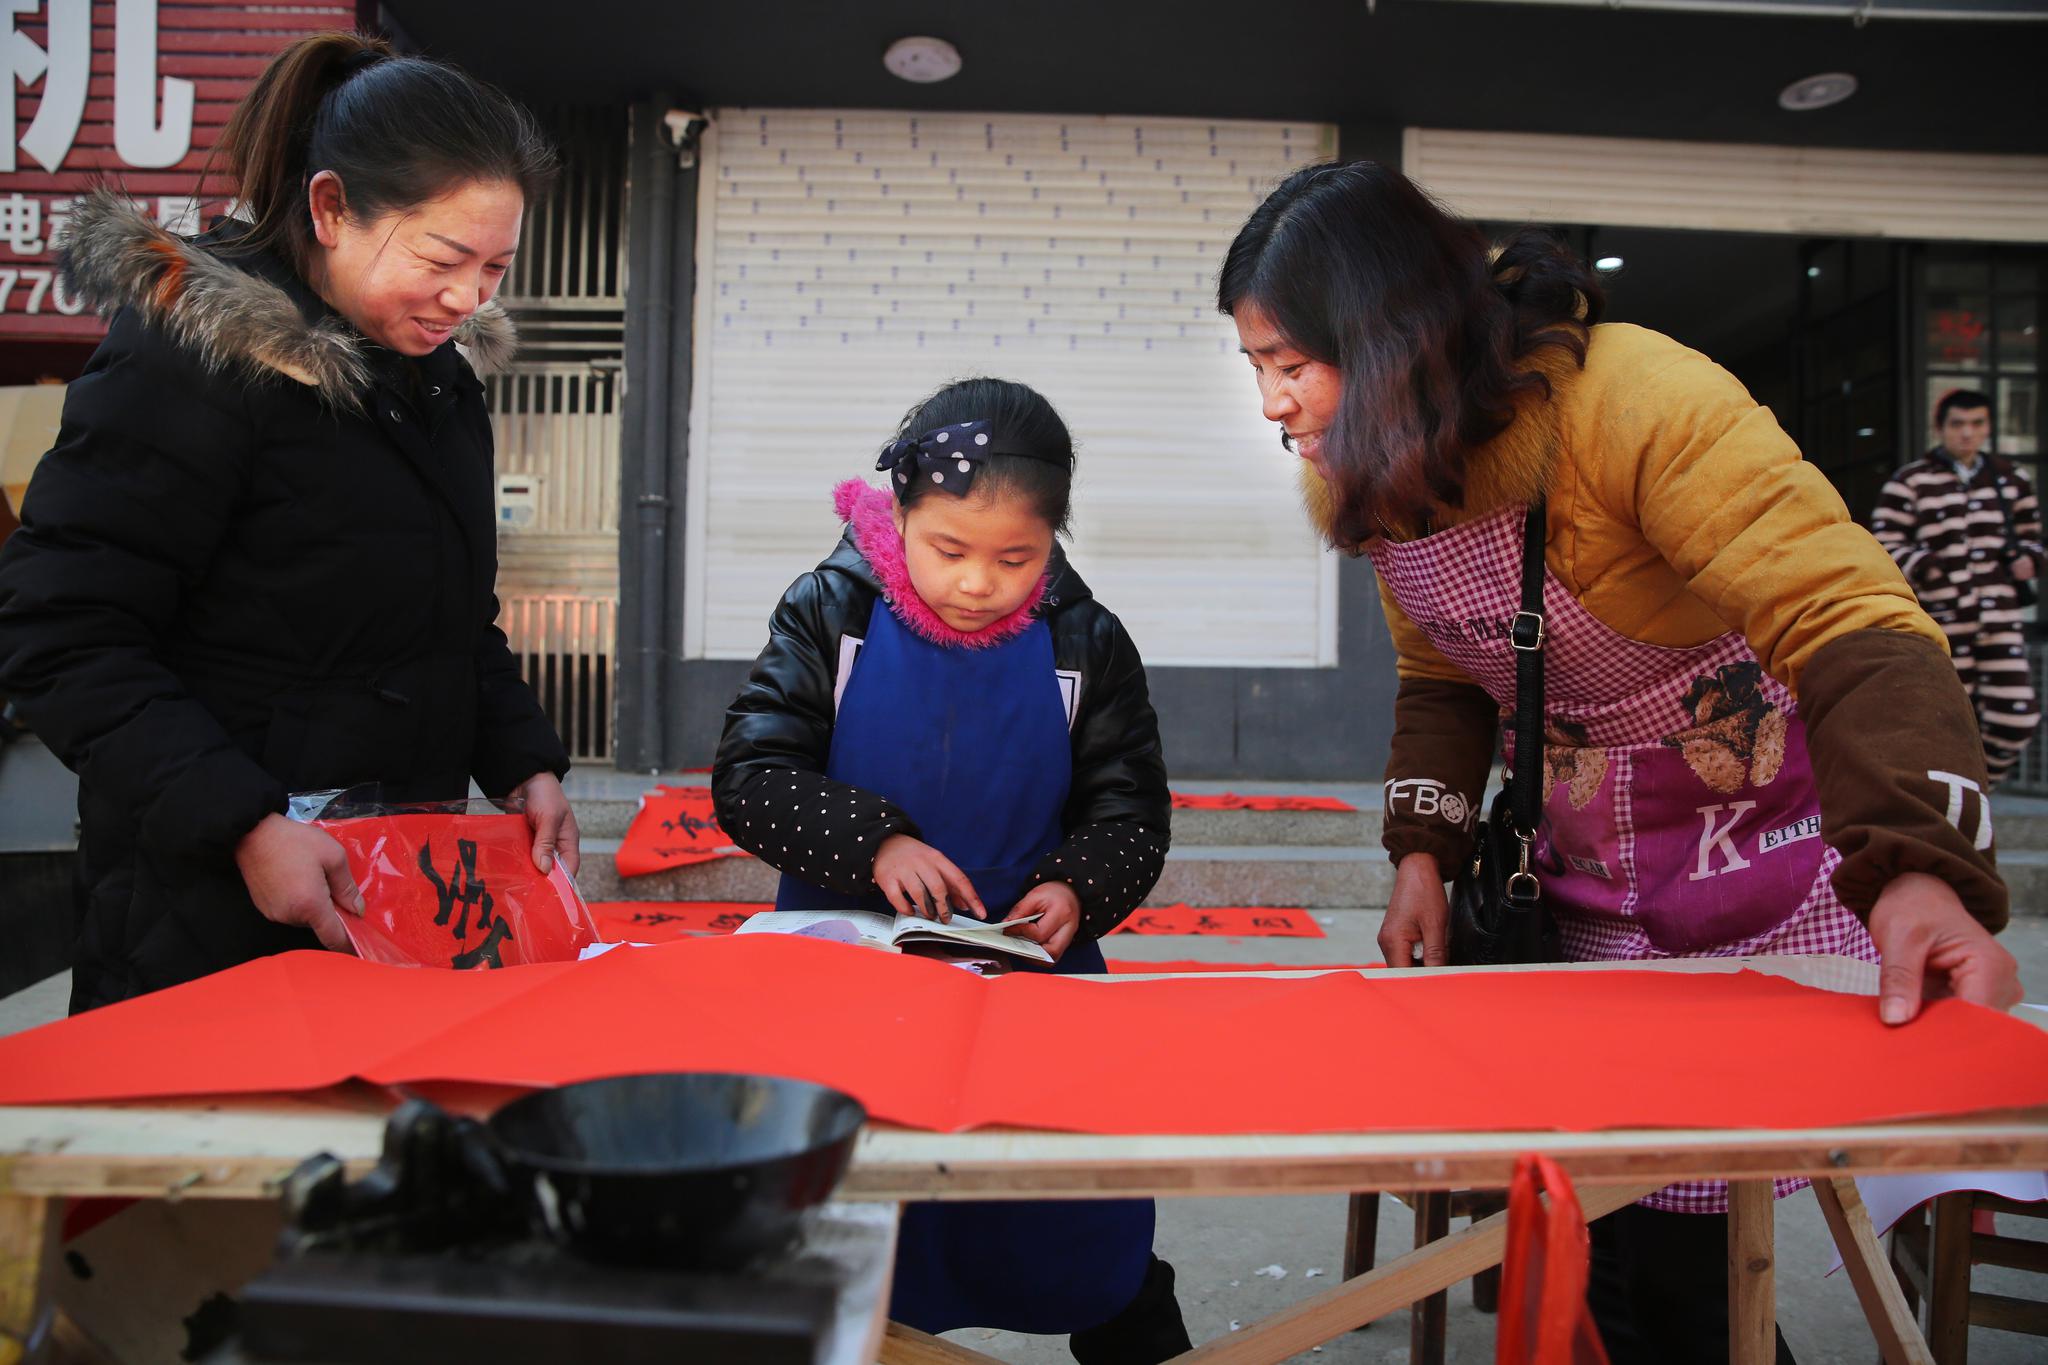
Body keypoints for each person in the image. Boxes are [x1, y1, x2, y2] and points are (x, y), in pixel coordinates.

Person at [1217, 160, 2022, 1364]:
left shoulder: (1638, 400)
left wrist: (1917, 864)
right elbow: (1440, 675)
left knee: (1698, 1228)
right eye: (1257, 373)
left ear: (1388, 336)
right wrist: (1421, 856)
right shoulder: (1358, 463)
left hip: (1752, 847)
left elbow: (1845, 612)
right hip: (1583, 865)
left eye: (1291, 365)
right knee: (1597, 1223)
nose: (1276, 407)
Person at [0, 32, 577, 1013]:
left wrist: (522, 759)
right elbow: (63, 631)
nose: (467, 297)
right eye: (443, 258)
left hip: (396, 895)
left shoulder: (439, 384)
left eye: (494, 267)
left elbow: (449, 621)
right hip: (206, 917)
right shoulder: (193, 362)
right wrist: (244, 825)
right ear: (329, 208)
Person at [711, 377, 1191, 1362]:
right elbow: (750, 776)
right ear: (899, 515)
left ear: (1052, 539)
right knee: (854, 1203)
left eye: (1014, 557)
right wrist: (875, 842)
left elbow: (1129, 809)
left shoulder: (1082, 641)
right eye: (948, 550)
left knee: (1072, 1204)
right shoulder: (829, 613)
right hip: (844, 975)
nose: (977, 582)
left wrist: (1076, 888)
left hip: (1032, 973)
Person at [1873, 388, 2043, 787]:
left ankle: (1982, 786)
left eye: (1977, 424)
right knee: (1943, 718)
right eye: (1958, 424)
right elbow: (1883, 545)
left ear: (1988, 427)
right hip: (1943, 622)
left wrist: (2031, 561)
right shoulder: (1911, 481)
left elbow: (2033, 537)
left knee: (2016, 718)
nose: (1967, 433)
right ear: (1941, 428)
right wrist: (1931, 568)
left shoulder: (2010, 479)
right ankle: (1954, 795)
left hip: (2000, 619)